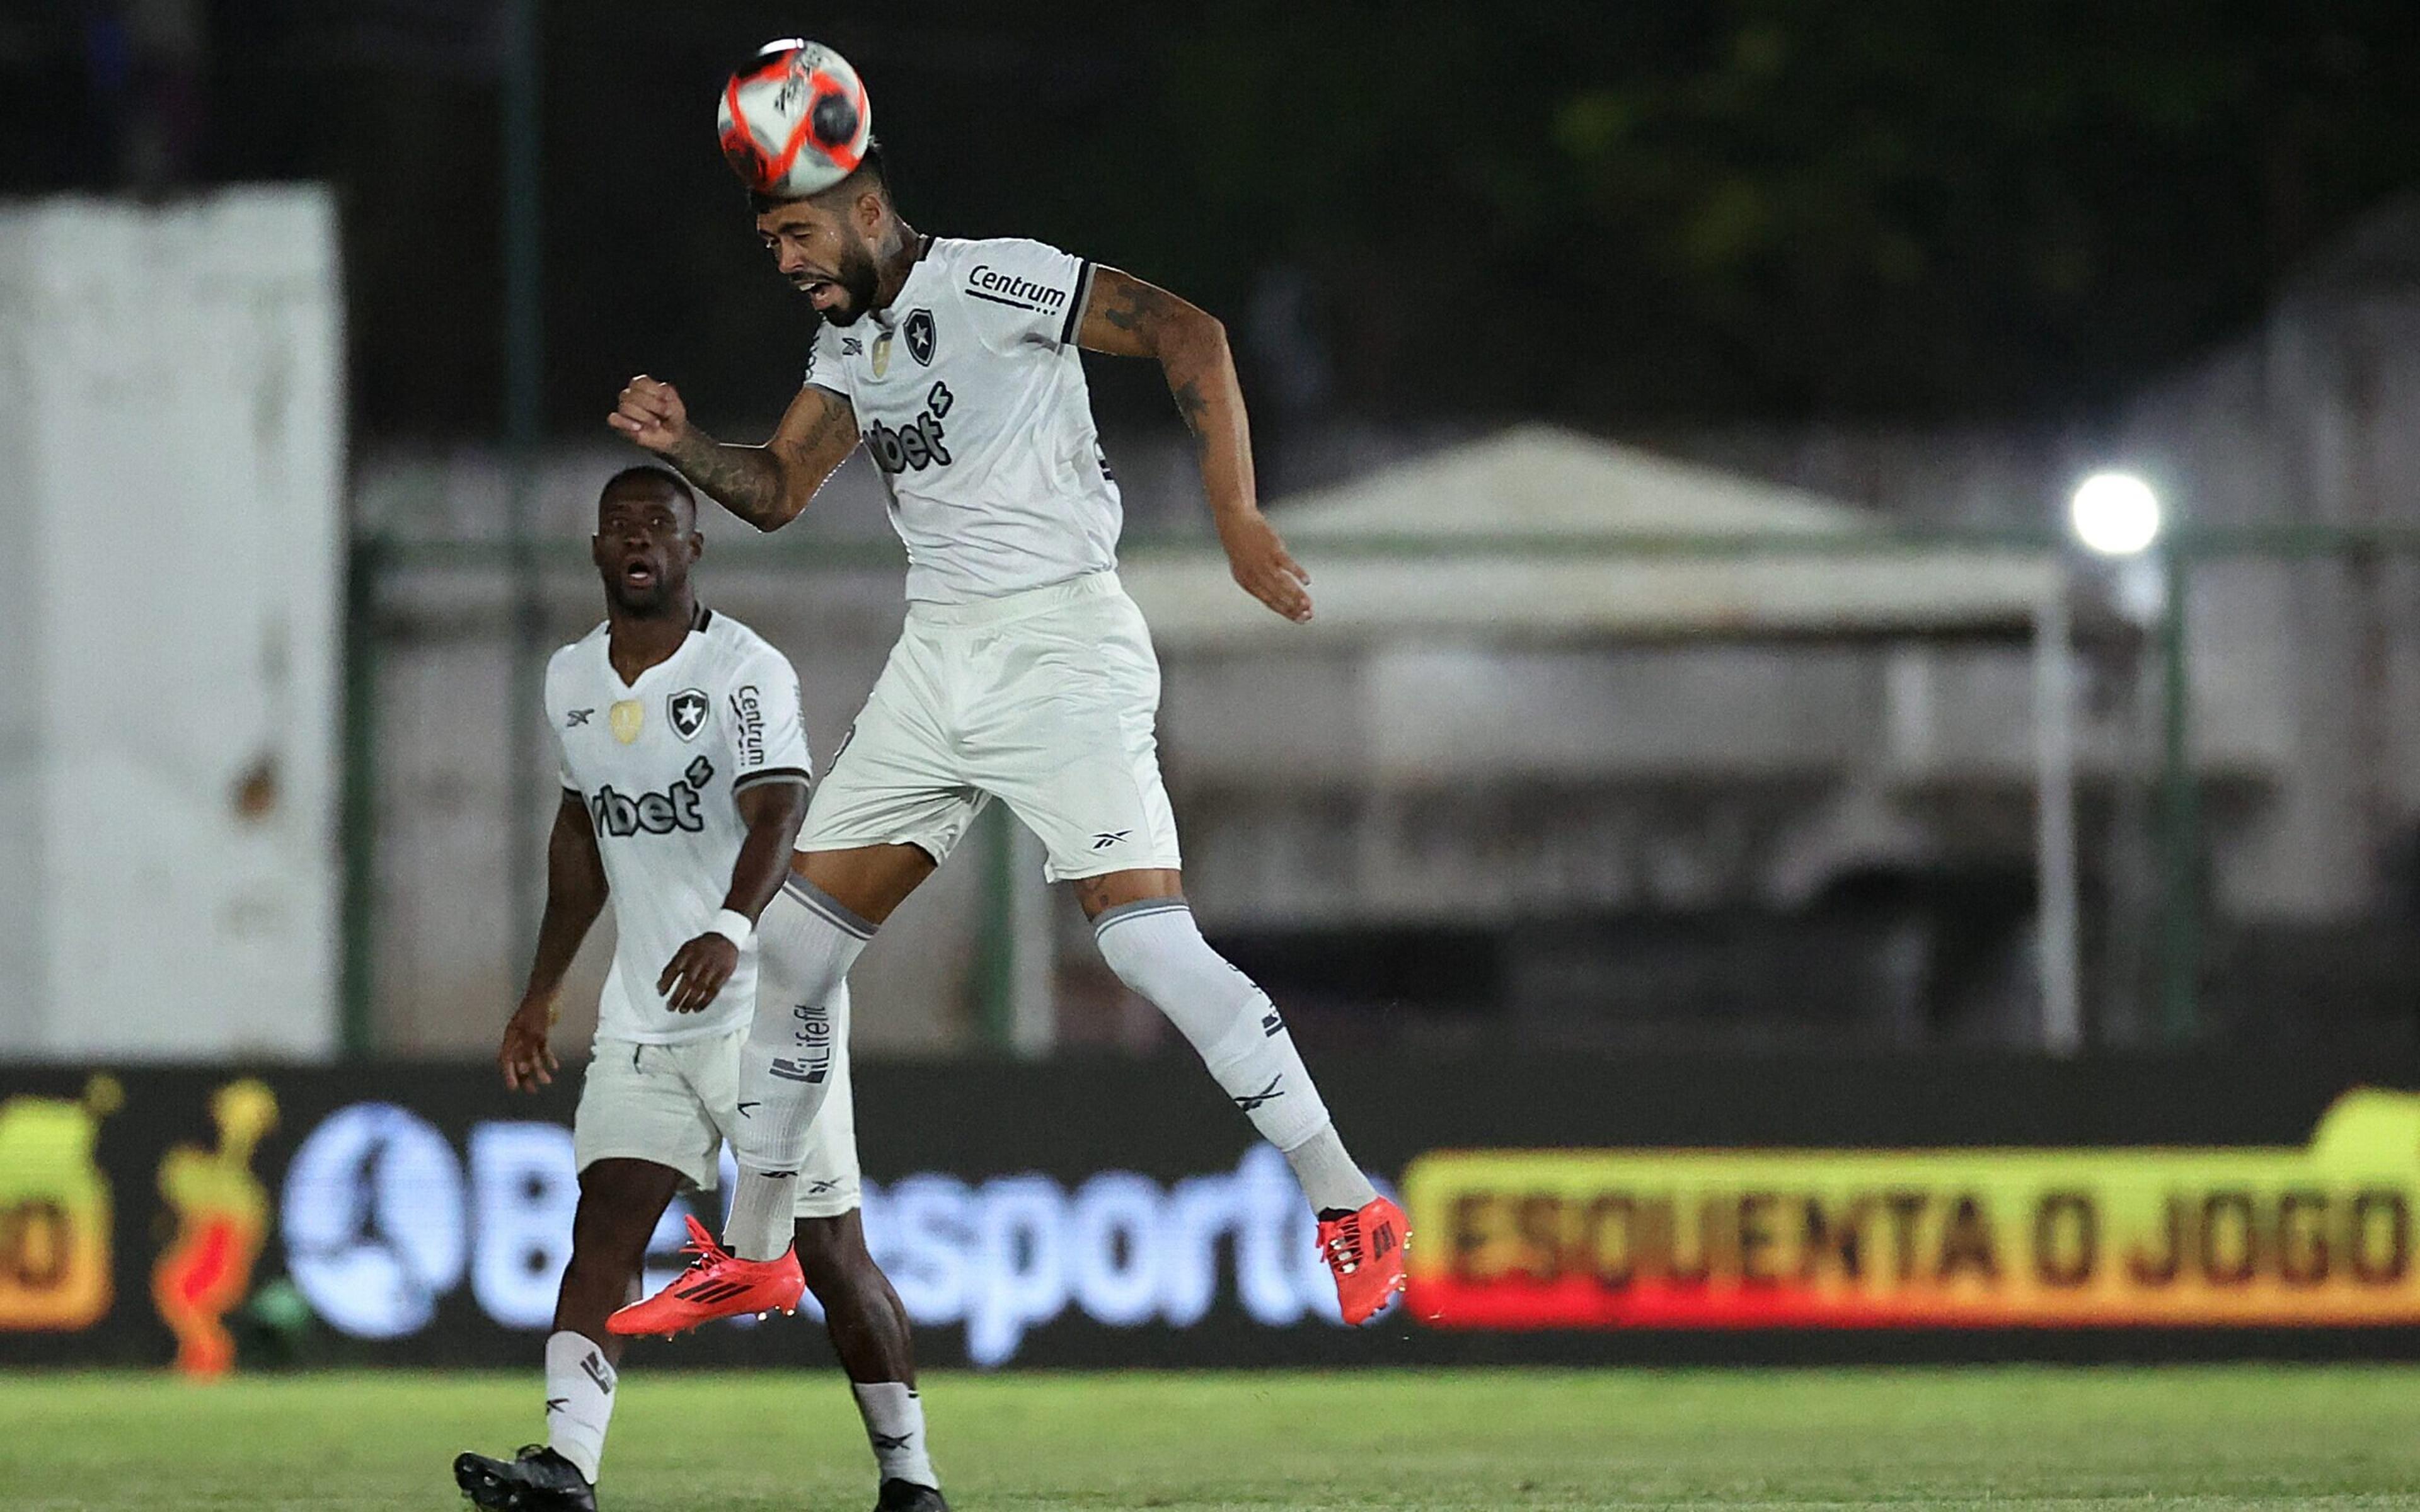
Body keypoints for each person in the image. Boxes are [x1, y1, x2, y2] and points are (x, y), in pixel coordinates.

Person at [602, 139, 1406, 1341]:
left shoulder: (999, 281)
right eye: (770, 244)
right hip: (939, 663)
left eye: (801, 237)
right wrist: (685, 448)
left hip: (1061, 645)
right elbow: (775, 490)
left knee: (1143, 945)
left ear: (867, 210)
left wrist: (1234, 517)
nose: (784, 262)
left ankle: (1347, 1201)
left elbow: (1195, 336)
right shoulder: (848, 348)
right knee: (793, 953)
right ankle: (761, 1252)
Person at [452, 466, 946, 1512]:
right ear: (596, 550)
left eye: (660, 527)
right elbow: (581, 833)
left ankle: (911, 1477)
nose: (639, 541)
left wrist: (731, 927)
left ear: (693, 550)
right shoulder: (570, 679)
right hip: (645, 1011)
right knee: (606, 1225)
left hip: (765, 1009)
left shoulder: (744, 672)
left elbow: (779, 811)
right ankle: (567, 1468)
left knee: (827, 1252)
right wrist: (541, 992)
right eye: (619, 527)